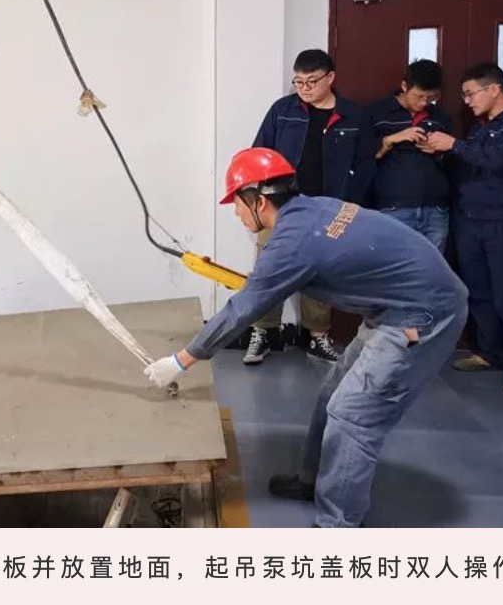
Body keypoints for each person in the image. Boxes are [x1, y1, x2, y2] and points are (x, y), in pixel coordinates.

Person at [144, 148, 468, 528]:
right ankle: (312, 480)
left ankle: (338, 524)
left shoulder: (294, 241)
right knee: (332, 394)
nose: (235, 213)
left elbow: (242, 309)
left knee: (353, 416)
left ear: (258, 200)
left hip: (420, 315)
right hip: (394, 306)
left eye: (236, 203)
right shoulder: (314, 209)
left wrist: (181, 360)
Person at [242, 49, 378, 365]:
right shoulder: (283, 110)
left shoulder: (353, 115)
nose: (304, 88)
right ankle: (263, 332)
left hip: (328, 207)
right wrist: (259, 200)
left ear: (330, 78)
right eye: (299, 81)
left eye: (312, 81)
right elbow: (259, 153)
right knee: (269, 268)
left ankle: (316, 335)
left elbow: (366, 163)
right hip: (281, 207)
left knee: (321, 271)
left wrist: (350, 202)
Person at [421, 63, 503, 394]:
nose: (466, 101)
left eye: (470, 94)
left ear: (493, 89)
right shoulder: (481, 127)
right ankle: (488, 352)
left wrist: (453, 145)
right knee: (477, 291)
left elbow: (499, 160)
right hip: (469, 218)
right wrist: (440, 152)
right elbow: (470, 163)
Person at [366, 59, 453, 252]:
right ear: (404, 86)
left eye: (430, 98)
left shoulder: (441, 117)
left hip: (435, 209)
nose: (423, 103)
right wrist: (391, 139)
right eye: (418, 96)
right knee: (394, 264)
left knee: (433, 266)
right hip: (394, 207)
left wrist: (438, 152)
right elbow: (363, 156)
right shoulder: (376, 112)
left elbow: (454, 163)